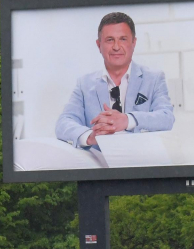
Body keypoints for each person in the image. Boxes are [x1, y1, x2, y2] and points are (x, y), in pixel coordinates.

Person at [56, 11, 174, 148]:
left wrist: (127, 120)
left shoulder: (154, 79)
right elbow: (64, 122)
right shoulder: (84, 84)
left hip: (142, 162)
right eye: (110, 40)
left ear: (134, 43)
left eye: (123, 39)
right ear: (98, 45)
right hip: (100, 164)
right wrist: (90, 137)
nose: (116, 47)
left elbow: (166, 117)